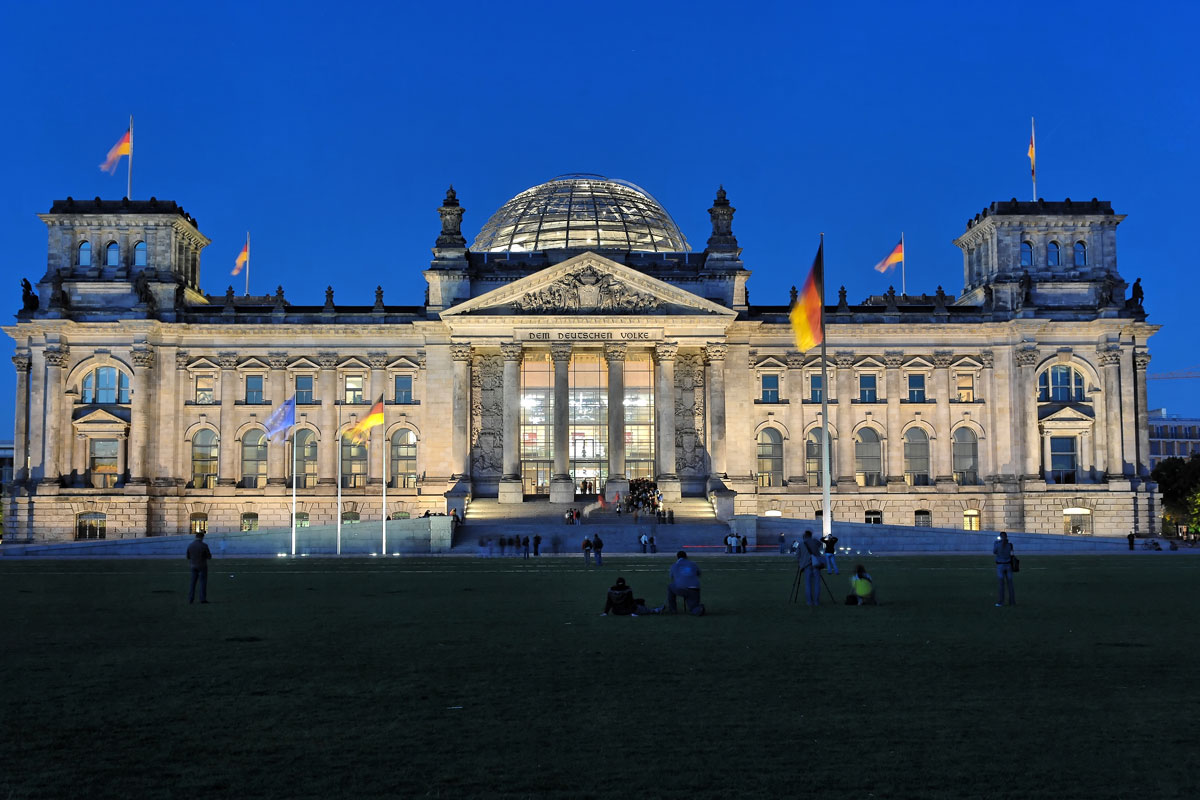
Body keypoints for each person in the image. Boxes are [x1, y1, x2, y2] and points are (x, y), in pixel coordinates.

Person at [798, 530, 823, 607]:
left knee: (808, 584)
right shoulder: (814, 542)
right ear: (811, 535)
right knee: (817, 584)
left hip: (806, 565)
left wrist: (801, 564)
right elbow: (820, 544)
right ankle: (816, 602)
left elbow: (798, 555)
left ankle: (809, 602)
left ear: (804, 536)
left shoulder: (801, 544)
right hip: (816, 565)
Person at [186, 530, 212, 604]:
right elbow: (209, 556)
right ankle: (202, 599)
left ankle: (190, 599)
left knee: (192, 583)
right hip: (202, 565)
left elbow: (188, 557)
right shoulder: (204, 545)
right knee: (202, 583)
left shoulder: (190, 545)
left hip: (193, 565)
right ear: (202, 537)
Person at [993, 531, 1016, 606]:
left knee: (1001, 585)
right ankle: (1012, 602)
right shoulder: (1010, 545)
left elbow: (994, 552)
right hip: (1008, 565)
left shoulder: (997, 544)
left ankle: (1001, 602)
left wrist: (997, 543)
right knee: (1010, 585)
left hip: (1000, 565)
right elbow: (1012, 554)